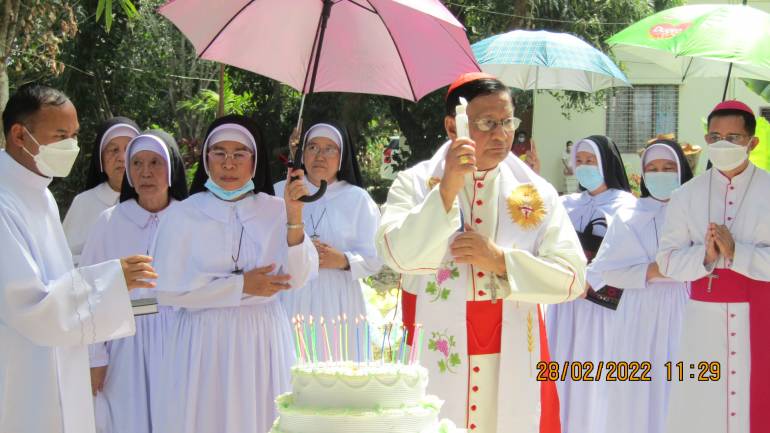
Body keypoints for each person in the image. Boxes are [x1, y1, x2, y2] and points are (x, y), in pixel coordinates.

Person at [376, 72, 586, 433]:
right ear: (452, 125)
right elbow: (395, 255)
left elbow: (573, 280)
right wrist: (446, 192)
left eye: (507, 122)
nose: (502, 134)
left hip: (512, 356)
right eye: (488, 123)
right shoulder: (414, 183)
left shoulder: (537, 192)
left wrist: (501, 261)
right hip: (438, 352)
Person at [0, 83, 156, 433]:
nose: (71, 146)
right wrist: (113, 279)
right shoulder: (4, 201)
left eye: (74, 135)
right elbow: (29, 304)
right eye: (60, 135)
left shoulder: (42, 194)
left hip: (58, 356)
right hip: (22, 368)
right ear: (19, 135)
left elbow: (60, 277)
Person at [151, 115, 319, 433]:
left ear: (254, 163)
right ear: (206, 159)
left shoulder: (275, 209)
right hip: (202, 340)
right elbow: (168, 291)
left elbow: (296, 278)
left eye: (239, 154)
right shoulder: (182, 215)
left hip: (261, 337)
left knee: (260, 418)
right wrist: (241, 285)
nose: (229, 163)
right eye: (219, 153)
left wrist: (294, 216)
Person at [657, 100, 770, 433]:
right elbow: (666, 261)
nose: (723, 145)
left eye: (733, 138)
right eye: (716, 136)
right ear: (706, 139)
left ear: (753, 142)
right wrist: (705, 258)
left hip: (759, 313)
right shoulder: (686, 195)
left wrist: (737, 252)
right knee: (701, 406)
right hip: (701, 320)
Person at [81, 130, 188, 433]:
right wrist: (95, 356)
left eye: (155, 162)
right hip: (124, 339)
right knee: (127, 420)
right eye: (137, 163)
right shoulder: (108, 222)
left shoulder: (192, 219)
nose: (146, 172)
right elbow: (90, 292)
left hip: (180, 336)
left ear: (172, 168)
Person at [590, 139, 693, 433]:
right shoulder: (628, 215)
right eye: (653, 168)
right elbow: (610, 271)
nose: (660, 173)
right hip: (639, 311)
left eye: (668, 167)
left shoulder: (697, 212)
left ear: (681, 171)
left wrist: (671, 269)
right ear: (644, 174)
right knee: (635, 391)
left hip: (685, 308)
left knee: (679, 385)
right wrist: (654, 270)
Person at [544, 135, 637, 433]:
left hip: (600, 308)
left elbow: (623, 252)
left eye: (591, 161)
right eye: (580, 161)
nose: (584, 167)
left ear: (606, 164)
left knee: (592, 375)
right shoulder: (565, 202)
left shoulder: (626, 205)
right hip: (563, 304)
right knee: (558, 370)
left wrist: (587, 280)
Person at [274, 121, 382, 330]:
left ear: (341, 158)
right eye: (312, 147)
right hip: (291, 295)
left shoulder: (358, 199)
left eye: (329, 149)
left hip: (340, 300)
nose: (320, 156)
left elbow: (375, 258)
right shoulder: (280, 192)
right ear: (302, 153)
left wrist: (342, 260)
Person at [63, 117, 140, 265]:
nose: (122, 158)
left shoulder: (153, 200)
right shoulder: (84, 202)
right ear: (101, 159)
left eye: (129, 149)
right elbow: (65, 260)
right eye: (113, 150)